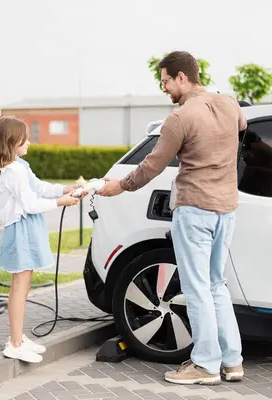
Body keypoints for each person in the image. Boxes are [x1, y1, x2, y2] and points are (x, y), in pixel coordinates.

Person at [97, 51, 246, 385]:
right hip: (226, 209)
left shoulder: (179, 119)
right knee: (216, 285)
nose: (163, 88)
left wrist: (120, 186)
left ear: (182, 77)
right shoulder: (230, 104)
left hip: (195, 209)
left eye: (165, 80)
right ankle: (232, 361)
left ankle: (206, 365)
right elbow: (243, 126)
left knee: (197, 290)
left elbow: (153, 165)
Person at [0, 116, 84, 363]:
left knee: (23, 285)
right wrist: (62, 201)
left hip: (26, 230)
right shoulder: (14, 171)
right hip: (21, 232)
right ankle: (15, 343)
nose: (29, 141)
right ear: (11, 141)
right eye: (25, 138)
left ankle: (18, 337)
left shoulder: (20, 166)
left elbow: (38, 188)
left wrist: (64, 189)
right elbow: (30, 203)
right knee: (20, 286)